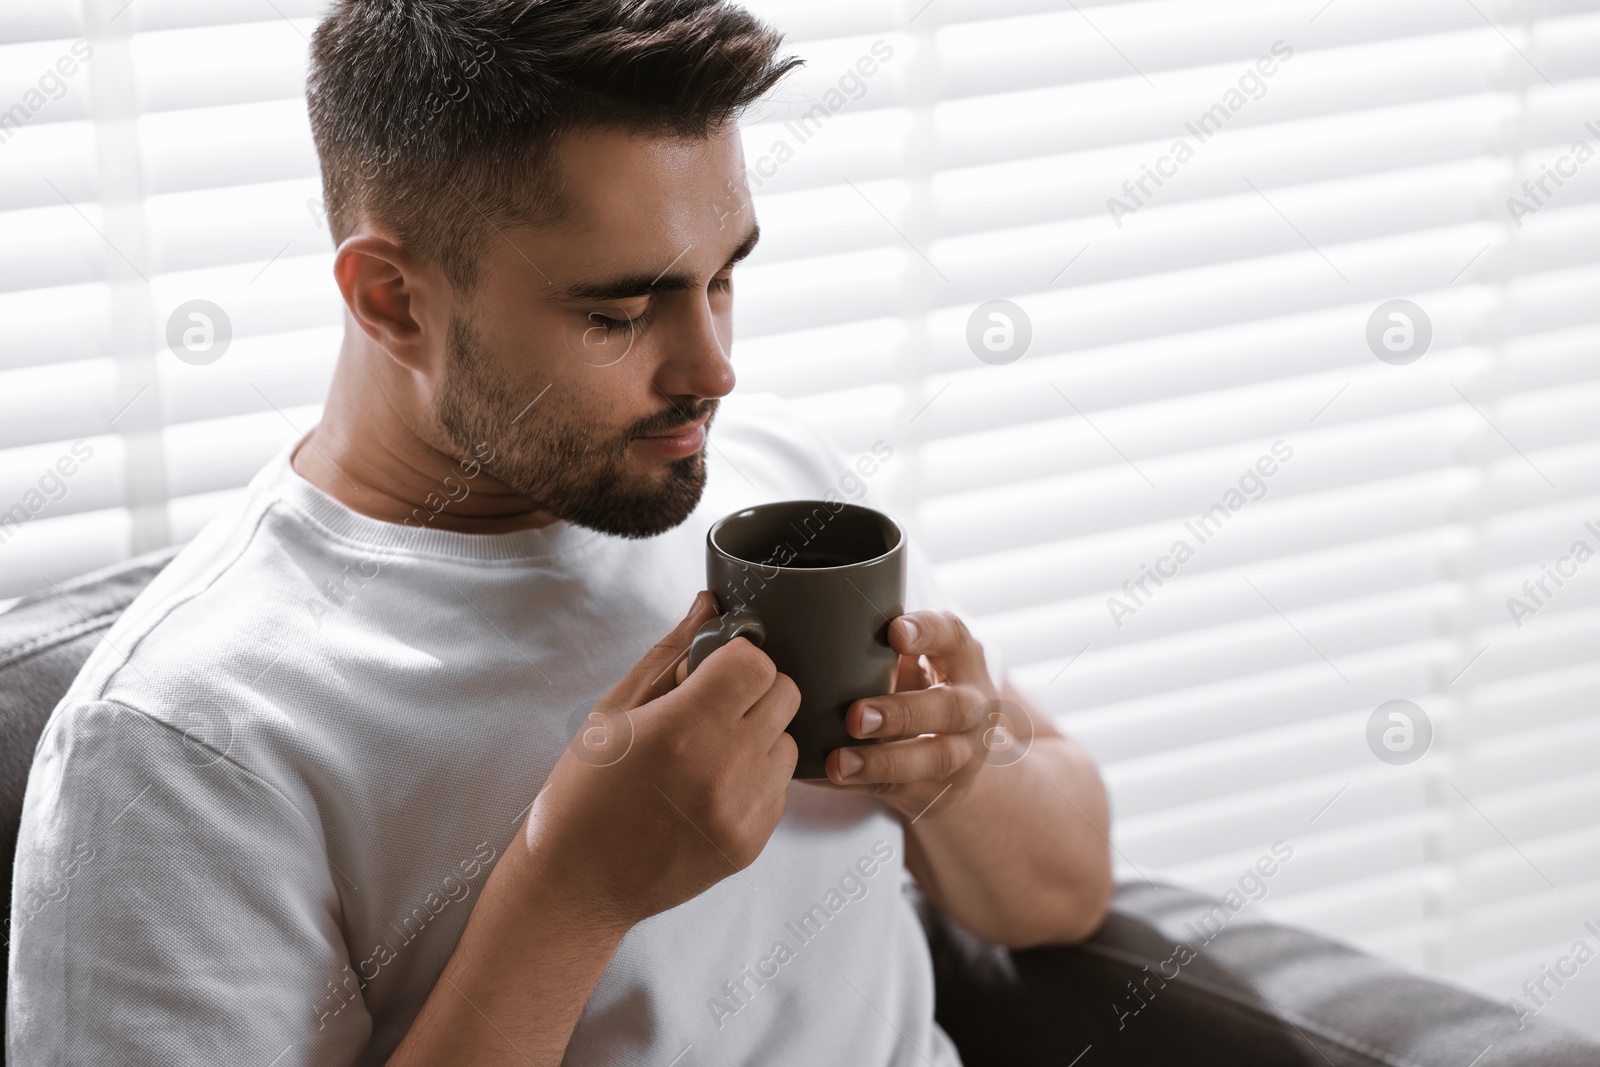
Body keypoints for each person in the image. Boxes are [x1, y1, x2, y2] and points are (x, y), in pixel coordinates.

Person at [6, 2, 1112, 1063]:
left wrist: (959, 776)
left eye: (722, 277)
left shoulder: (781, 491)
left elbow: (1061, 893)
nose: (713, 371)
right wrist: (567, 895)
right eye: (618, 315)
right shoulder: (174, 740)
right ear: (391, 300)